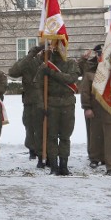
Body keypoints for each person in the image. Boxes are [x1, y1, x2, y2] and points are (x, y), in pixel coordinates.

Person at [35, 43, 80, 175]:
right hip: (51, 104)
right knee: (52, 136)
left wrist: (51, 73)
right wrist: (41, 104)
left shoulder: (71, 63)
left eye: (60, 46)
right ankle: (54, 165)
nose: (58, 49)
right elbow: (38, 85)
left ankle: (64, 165)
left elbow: (71, 78)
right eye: (54, 47)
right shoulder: (45, 64)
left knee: (65, 136)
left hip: (67, 103)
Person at [79, 44, 111, 175]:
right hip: (95, 106)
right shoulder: (90, 70)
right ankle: (95, 157)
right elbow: (85, 91)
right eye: (99, 54)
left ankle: (109, 160)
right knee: (95, 134)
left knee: (110, 136)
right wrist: (87, 107)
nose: (102, 56)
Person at [8, 43, 44, 166]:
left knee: (46, 129)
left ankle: (44, 153)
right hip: (31, 101)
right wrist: (32, 53)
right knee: (30, 126)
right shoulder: (29, 62)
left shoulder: (52, 61)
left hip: (49, 101)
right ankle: (32, 149)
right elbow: (13, 72)